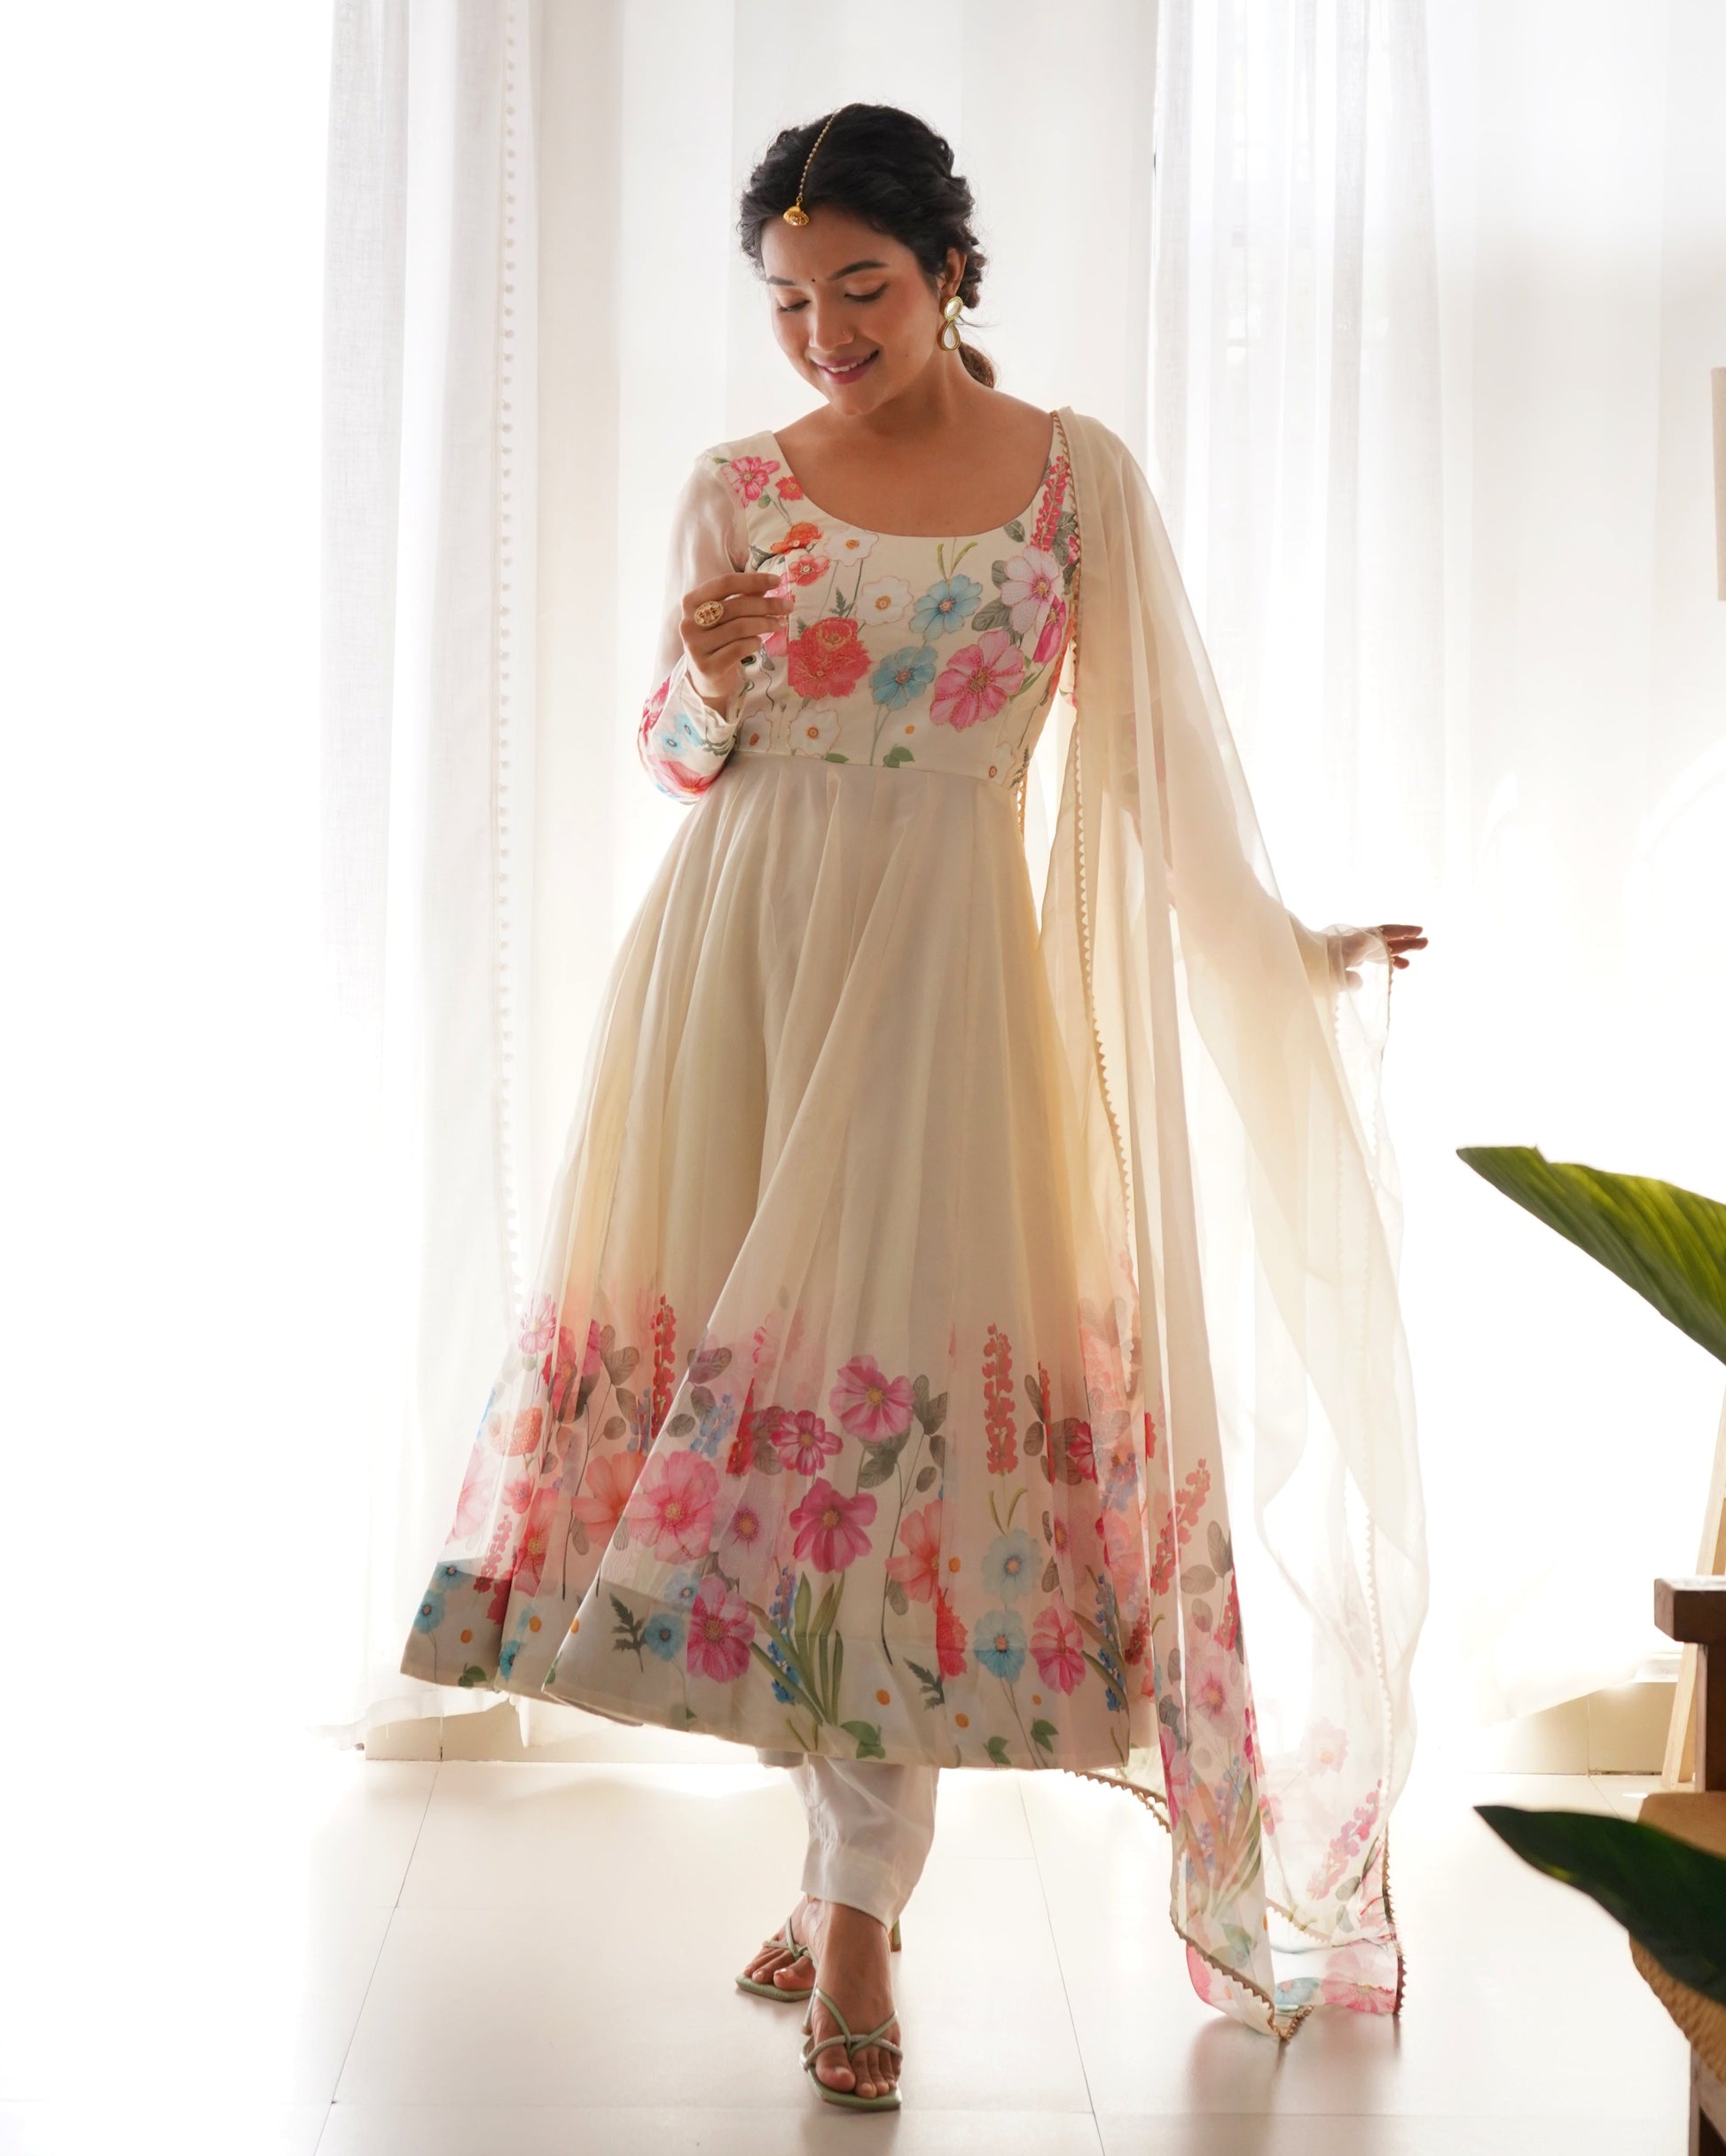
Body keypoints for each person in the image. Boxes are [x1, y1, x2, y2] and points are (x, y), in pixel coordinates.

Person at [399, 102, 1429, 2111]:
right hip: (740, 974)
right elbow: (687, 758)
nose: (821, 335)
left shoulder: (1072, 483)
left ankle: (859, 1910)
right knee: (761, 1428)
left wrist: (1290, 950)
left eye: (857, 289)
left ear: (948, 267)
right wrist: (692, 678)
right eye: (788, 301)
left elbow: (1152, 778)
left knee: (888, 1441)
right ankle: (840, 1863)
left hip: (948, 995)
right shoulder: (739, 488)